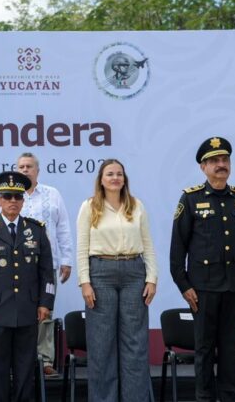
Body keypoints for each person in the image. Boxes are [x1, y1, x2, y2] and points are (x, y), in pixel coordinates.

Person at [170, 137, 235, 402]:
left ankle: (229, 398)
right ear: (203, 167)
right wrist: (184, 285)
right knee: (205, 349)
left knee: (230, 350)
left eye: (224, 160)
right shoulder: (190, 199)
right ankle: (204, 398)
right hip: (203, 288)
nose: (221, 165)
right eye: (214, 161)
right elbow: (178, 248)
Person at [76, 159, 157, 402]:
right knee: (102, 346)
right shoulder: (89, 207)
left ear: (125, 179)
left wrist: (151, 278)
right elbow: (82, 247)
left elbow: (148, 245)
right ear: (101, 179)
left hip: (134, 272)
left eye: (119, 174)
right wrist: (85, 282)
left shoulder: (137, 206)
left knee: (135, 344)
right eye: (110, 174)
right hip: (100, 272)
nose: (115, 178)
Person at [0, 171, 55, 402]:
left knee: (25, 369)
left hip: (28, 310)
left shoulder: (36, 230)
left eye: (17, 197)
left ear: (23, 201)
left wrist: (46, 303)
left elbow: (47, 272)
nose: (12, 202)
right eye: (7, 197)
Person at [0, 153, 74, 375]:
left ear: (37, 170)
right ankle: (17, 361)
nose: (25, 169)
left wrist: (66, 260)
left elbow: (63, 227)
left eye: (29, 166)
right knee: (16, 313)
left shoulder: (52, 194)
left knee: (44, 312)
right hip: (12, 268)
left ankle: (45, 360)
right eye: (21, 166)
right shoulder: (6, 195)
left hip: (47, 264)